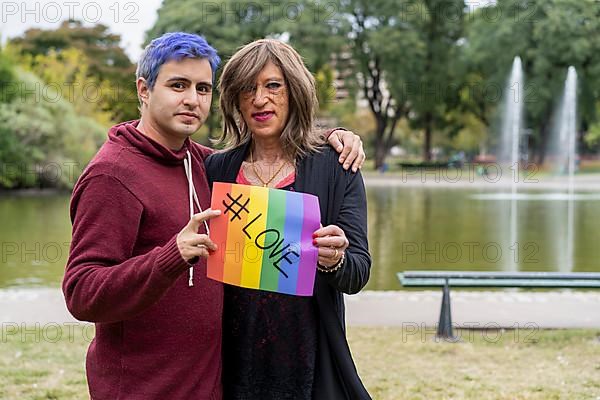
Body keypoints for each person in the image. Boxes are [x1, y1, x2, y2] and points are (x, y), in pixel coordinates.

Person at [62, 32, 365, 400]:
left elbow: (356, 266)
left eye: (203, 89)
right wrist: (171, 254)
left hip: (235, 379)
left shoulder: (201, 163)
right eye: (178, 85)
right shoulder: (117, 175)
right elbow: (81, 293)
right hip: (154, 385)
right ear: (144, 90)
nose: (191, 99)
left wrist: (333, 137)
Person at [205, 39, 371, 399]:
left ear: (295, 91)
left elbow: (358, 271)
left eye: (273, 86)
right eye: (247, 88)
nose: (259, 99)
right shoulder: (216, 169)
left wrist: (336, 259)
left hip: (309, 361)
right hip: (231, 361)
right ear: (234, 99)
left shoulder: (334, 165)